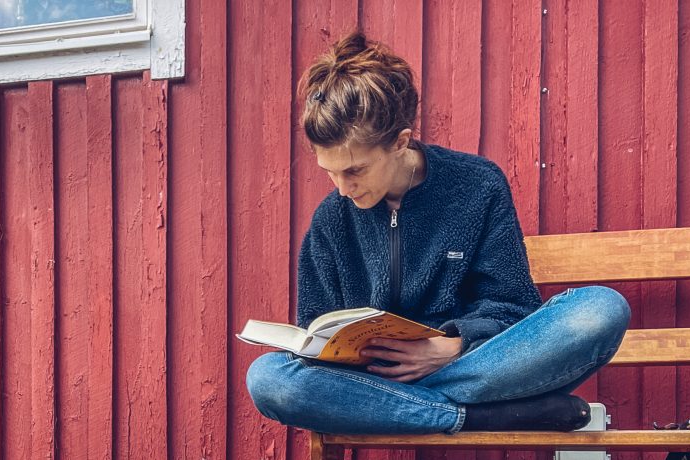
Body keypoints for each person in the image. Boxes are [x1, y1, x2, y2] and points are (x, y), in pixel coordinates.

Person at [246, 33, 630, 435]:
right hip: (375, 385)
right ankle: (469, 418)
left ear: (400, 142)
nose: (343, 188)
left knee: (600, 309)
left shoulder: (477, 186)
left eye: (355, 170)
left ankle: (418, 410)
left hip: (473, 366)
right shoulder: (331, 220)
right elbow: (314, 339)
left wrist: (449, 347)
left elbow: (513, 306)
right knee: (269, 378)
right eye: (330, 172)